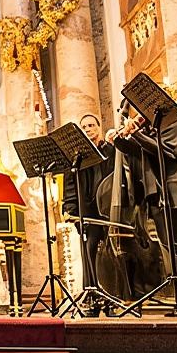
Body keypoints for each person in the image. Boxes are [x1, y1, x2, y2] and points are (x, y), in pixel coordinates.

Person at [109, 100, 177, 314]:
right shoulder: (149, 127)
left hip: (173, 187)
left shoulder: (175, 121)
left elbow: (170, 152)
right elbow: (139, 151)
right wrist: (119, 140)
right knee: (169, 248)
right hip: (157, 192)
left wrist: (136, 133)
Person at [62, 113, 115, 288]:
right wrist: (70, 209)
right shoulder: (77, 158)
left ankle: (114, 292)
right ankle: (91, 291)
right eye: (84, 127)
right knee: (89, 248)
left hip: (110, 208)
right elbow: (70, 185)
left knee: (112, 251)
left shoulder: (110, 150)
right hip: (88, 210)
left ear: (99, 127)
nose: (88, 129)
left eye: (91, 125)